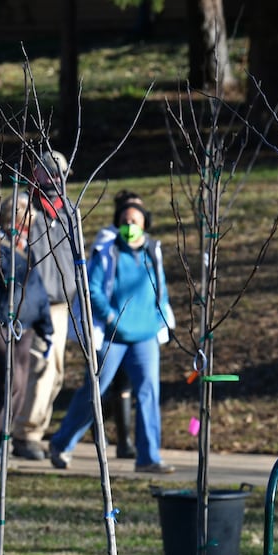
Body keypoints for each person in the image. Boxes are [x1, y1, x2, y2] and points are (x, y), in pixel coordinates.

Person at [48, 191, 176, 474]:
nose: (130, 224)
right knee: (94, 392)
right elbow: (92, 288)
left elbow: (161, 289)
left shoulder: (153, 252)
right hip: (112, 337)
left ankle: (148, 457)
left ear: (146, 224)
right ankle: (61, 444)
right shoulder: (107, 252)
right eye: (125, 220)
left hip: (145, 336)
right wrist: (108, 315)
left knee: (148, 394)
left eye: (136, 220)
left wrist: (160, 319)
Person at [0, 193, 51, 468]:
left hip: (23, 329)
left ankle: (2, 442)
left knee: (20, 388)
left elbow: (36, 291)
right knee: (11, 383)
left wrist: (45, 327)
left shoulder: (25, 248)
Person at [11, 150, 84, 461]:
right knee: (42, 368)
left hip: (63, 303)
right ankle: (25, 434)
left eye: (60, 172)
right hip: (36, 303)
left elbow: (78, 256)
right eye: (48, 171)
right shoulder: (26, 208)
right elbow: (9, 249)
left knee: (56, 374)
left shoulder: (69, 211)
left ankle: (34, 428)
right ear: (36, 173)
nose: (55, 177)